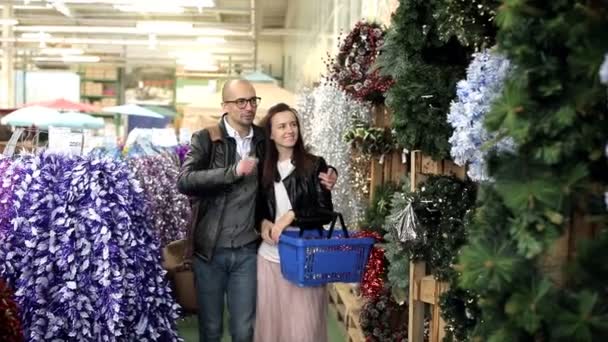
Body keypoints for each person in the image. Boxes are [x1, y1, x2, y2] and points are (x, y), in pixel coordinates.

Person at [176, 80, 337, 342]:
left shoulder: (264, 139)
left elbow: (298, 161)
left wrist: (329, 175)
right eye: (241, 102)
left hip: (248, 251)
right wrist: (232, 172)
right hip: (210, 249)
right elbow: (185, 181)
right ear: (225, 106)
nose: (248, 107)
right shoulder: (207, 138)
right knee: (211, 328)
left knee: (244, 329)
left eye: (252, 101)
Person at [254, 103, 334, 342]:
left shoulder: (314, 164)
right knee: (272, 330)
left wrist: (291, 215)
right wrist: (263, 224)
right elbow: (255, 208)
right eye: (281, 126)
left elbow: (325, 212)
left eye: (293, 124)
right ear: (270, 133)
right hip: (269, 258)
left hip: (305, 257)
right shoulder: (261, 167)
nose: (289, 130)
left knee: (305, 331)